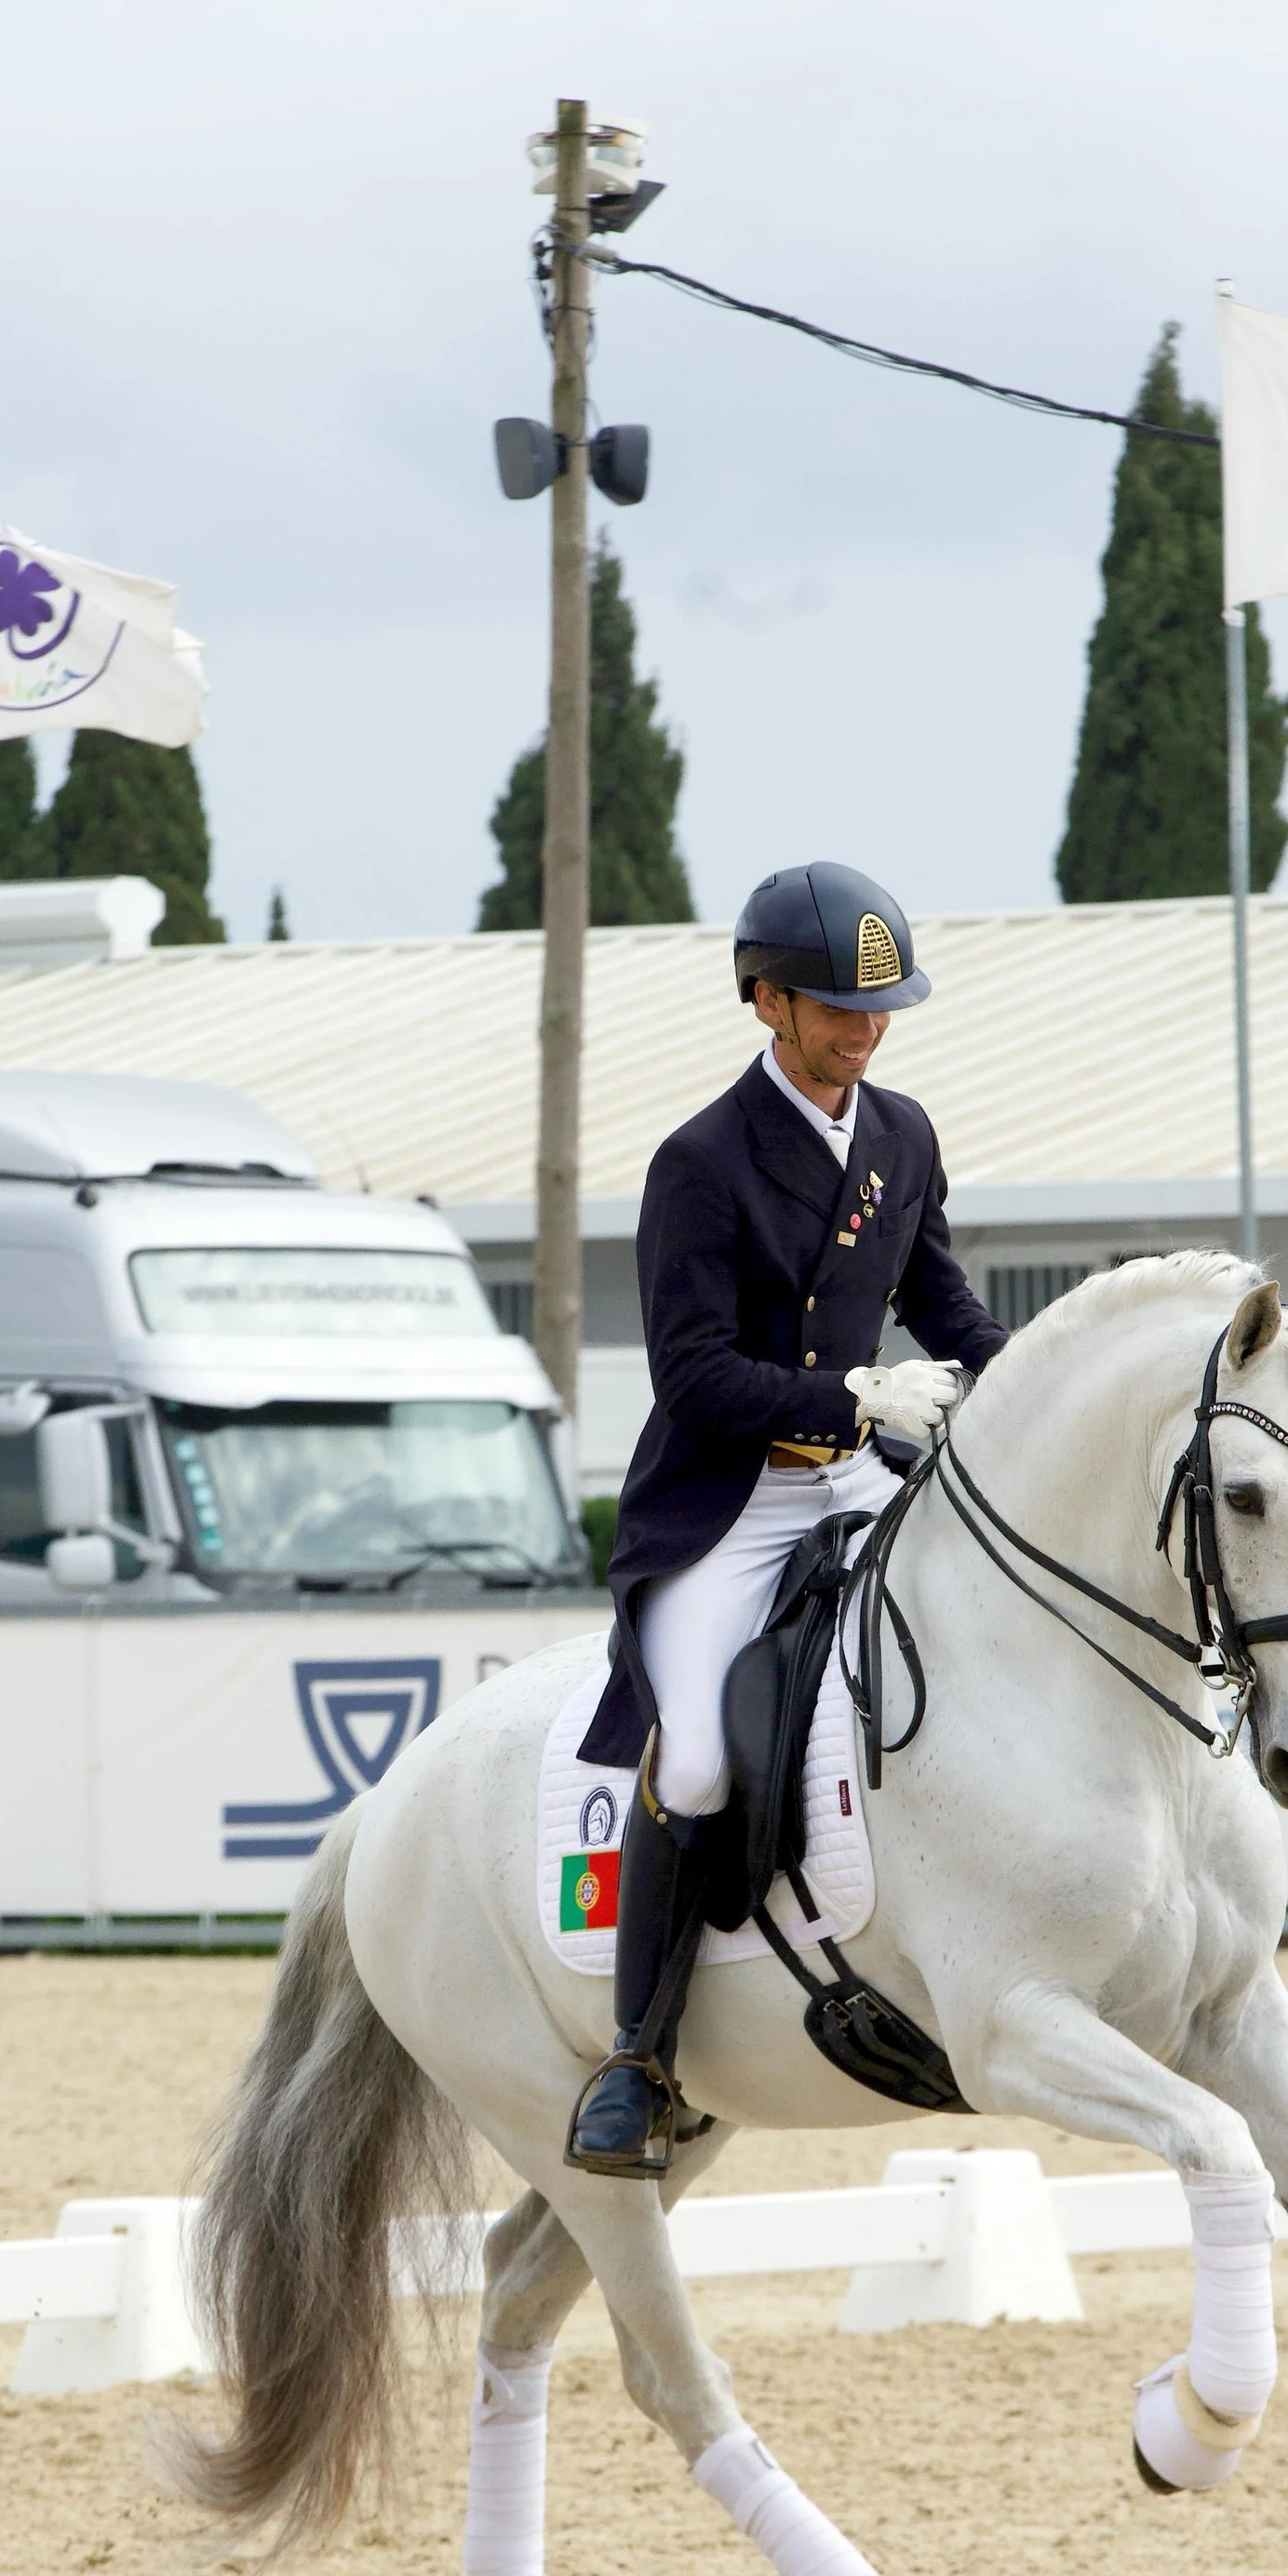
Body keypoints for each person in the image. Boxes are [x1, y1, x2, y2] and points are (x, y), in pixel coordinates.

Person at [565, 861, 1009, 2177]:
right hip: (728, 1504)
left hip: (867, 1472)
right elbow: (692, 1378)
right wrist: (854, 1402)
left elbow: (944, 1304)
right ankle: (638, 2058)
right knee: (698, 1760)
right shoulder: (700, 1164)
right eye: (831, 1004)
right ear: (765, 999)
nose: (861, 1029)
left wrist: (1026, 1381)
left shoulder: (901, 1133)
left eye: (879, 1006)